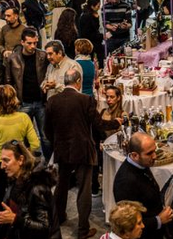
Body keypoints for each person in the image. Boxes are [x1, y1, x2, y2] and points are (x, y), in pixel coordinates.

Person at [45, 69, 121, 239]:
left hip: (62, 149)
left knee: (61, 186)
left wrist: (57, 143)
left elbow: (46, 130)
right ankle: (82, 230)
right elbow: (98, 124)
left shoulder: (52, 101)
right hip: (83, 149)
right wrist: (116, 122)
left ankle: (58, 219)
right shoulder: (86, 99)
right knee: (84, 190)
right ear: (78, 81)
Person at [0, 140, 60, 239]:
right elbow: (15, 208)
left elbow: (45, 228)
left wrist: (15, 220)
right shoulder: (15, 179)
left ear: (20, 160)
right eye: (1, 161)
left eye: (6, 160)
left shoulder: (37, 188)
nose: (2, 166)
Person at [0, 85, 40, 206]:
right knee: (17, 200)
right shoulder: (24, 118)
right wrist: (24, 155)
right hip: (16, 164)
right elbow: (35, 144)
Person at [113, 133, 173, 239]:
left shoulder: (141, 164)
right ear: (134, 155)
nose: (155, 156)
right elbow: (128, 223)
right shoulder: (125, 182)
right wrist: (158, 220)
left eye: (154, 150)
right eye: (149, 153)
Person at [4, 27, 51, 159]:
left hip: (40, 101)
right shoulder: (13, 58)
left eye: (35, 43)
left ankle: (49, 163)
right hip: (23, 101)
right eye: (29, 43)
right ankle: (25, 163)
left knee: (45, 136)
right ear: (22, 42)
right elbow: (8, 80)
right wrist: (14, 99)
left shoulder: (42, 56)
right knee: (22, 137)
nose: (33, 46)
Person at [79, 0, 104, 68]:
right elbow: (87, 33)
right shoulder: (86, 17)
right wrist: (101, 36)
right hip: (90, 45)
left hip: (95, 42)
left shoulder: (93, 15)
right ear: (92, 6)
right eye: (98, 6)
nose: (99, 8)